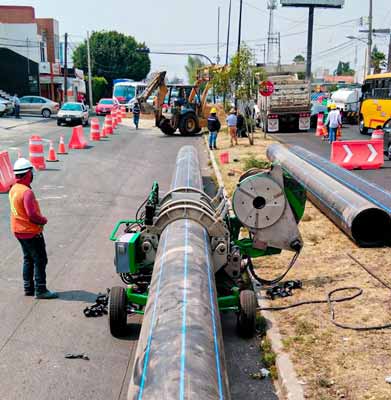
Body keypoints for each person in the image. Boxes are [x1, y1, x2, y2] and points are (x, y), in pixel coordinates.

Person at [9, 158, 58, 299]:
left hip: (18, 231)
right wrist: (43, 220)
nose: (32, 175)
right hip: (30, 232)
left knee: (28, 259)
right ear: (27, 174)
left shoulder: (13, 189)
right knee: (40, 260)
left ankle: (28, 288)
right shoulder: (27, 192)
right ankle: (41, 290)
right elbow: (32, 215)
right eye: (31, 172)